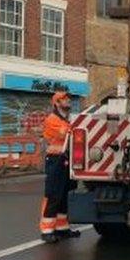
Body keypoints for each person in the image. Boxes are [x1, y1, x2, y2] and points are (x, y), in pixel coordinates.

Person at [40, 91, 82, 243]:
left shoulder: (67, 119)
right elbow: (66, 132)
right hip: (55, 160)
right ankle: (47, 231)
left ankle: (62, 229)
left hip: (66, 160)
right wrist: (77, 126)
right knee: (54, 195)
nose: (68, 100)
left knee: (65, 195)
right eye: (64, 99)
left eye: (68, 98)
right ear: (56, 103)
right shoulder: (52, 120)